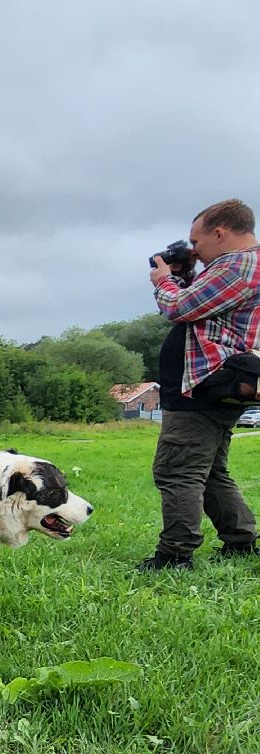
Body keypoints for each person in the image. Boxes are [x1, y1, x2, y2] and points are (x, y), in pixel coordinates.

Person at [140, 198, 260, 570]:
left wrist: (164, 282)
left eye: (197, 242)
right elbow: (204, 309)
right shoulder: (236, 267)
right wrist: (184, 278)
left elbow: (181, 308)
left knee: (177, 469)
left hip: (203, 383)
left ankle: (175, 555)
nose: (195, 250)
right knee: (209, 471)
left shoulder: (239, 265)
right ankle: (241, 540)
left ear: (220, 233)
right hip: (216, 382)